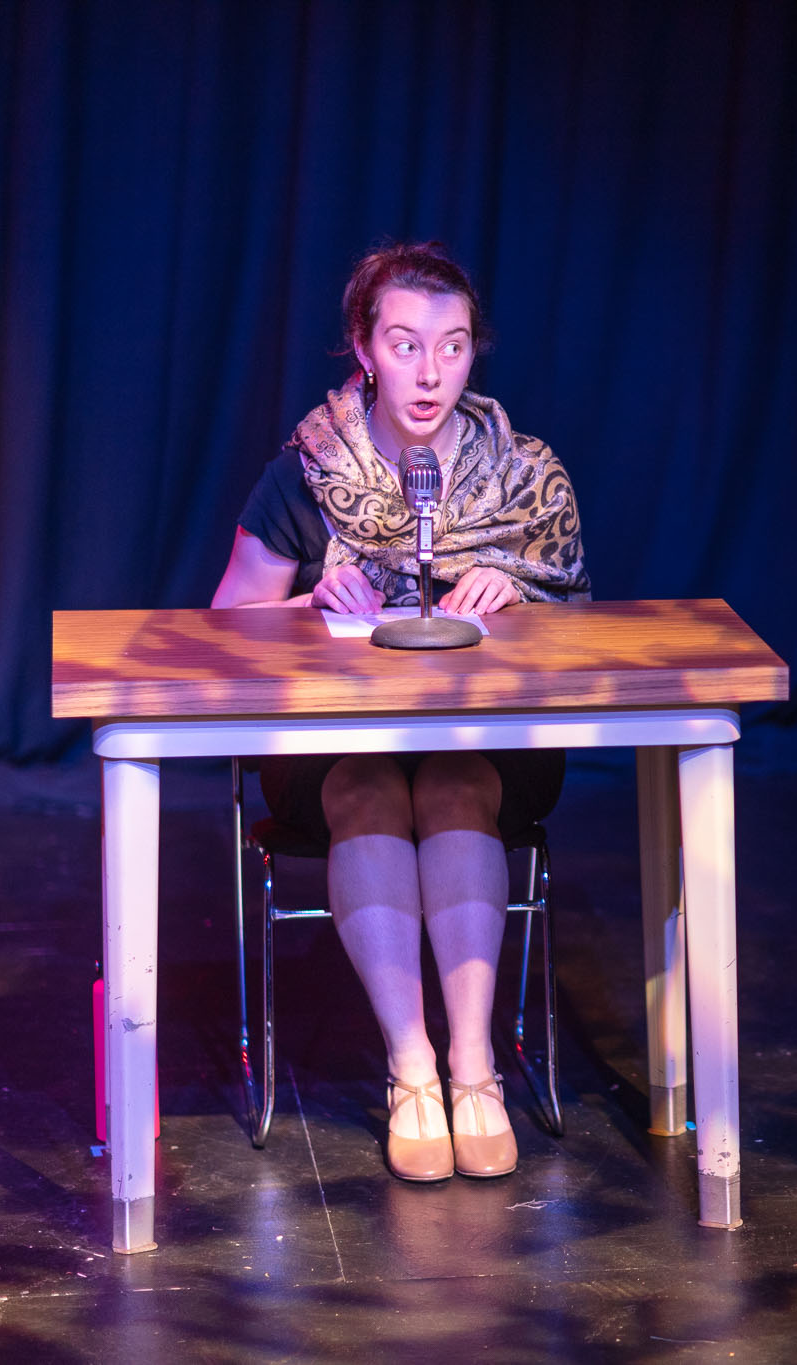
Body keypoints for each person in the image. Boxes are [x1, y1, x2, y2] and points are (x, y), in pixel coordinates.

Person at [212, 242, 589, 1182]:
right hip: (333, 749)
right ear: (364, 348)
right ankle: (412, 1068)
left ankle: (475, 1068)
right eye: (405, 344)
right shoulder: (307, 471)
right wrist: (307, 603)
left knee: (456, 784)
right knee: (373, 788)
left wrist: (519, 593)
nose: (429, 374)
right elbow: (224, 625)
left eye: (452, 347)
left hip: (487, 743)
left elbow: (581, 628)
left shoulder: (527, 476)